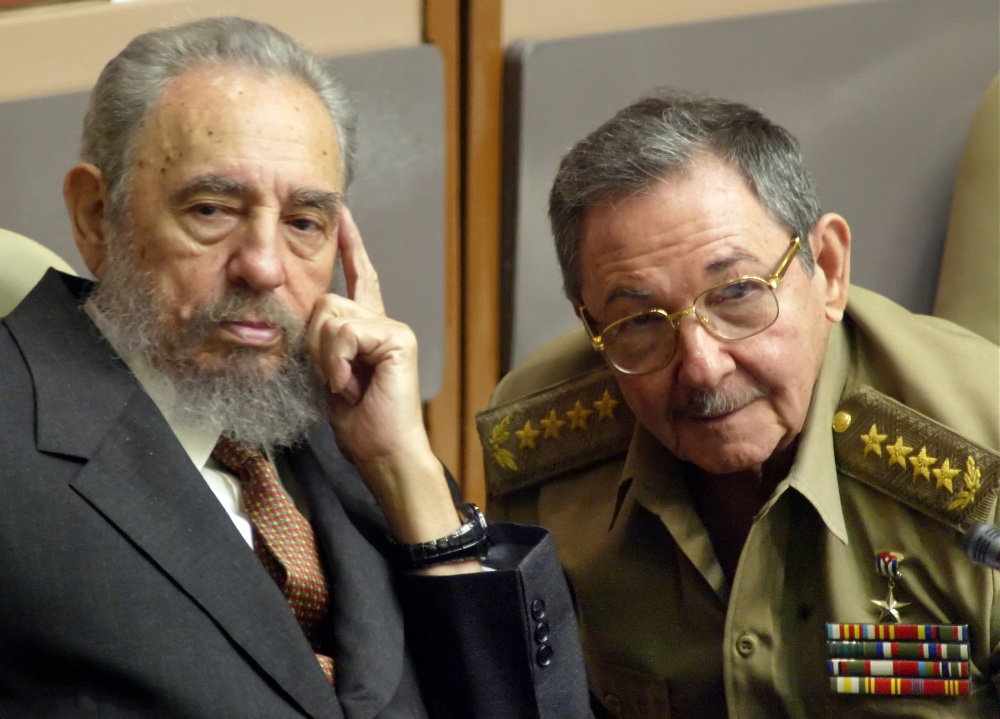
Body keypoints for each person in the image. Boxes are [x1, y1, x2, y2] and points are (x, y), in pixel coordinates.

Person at [0, 17, 594, 718]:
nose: (264, 265)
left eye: (304, 222)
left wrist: (406, 468)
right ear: (98, 217)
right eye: (212, 209)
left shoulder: (336, 421)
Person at [479, 90, 1000, 717]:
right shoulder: (545, 452)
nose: (701, 365)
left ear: (829, 270)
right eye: (641, 322)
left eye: (736, 294)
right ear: (591, 323)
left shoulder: (982, 451)